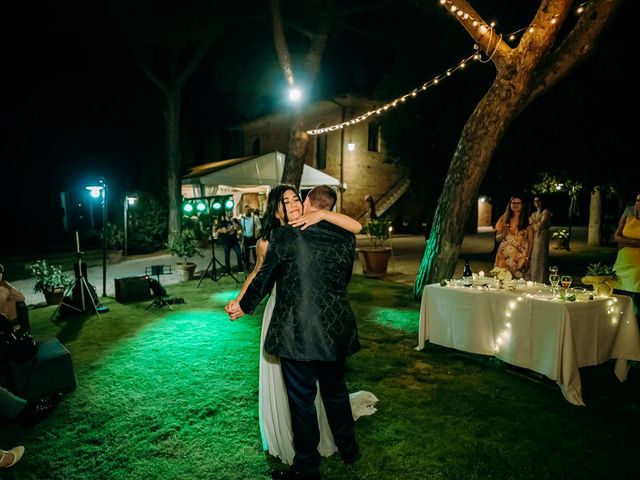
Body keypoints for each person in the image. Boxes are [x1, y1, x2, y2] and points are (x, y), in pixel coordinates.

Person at [227, 185, 364, 480]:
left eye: (296, 199)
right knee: (336, 392)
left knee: (302, 402)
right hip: (335, 329)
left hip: (298, 332)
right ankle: (349, 449)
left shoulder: (284, 238)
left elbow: (263, 278)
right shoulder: (344, 235)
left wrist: (244, 306)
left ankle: (307, 466)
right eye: (286, 201)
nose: (292, 204)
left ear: (308, 204)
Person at [613, 193, 640, 315]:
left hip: (638, 265)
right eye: (637, 200)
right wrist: (637, 242)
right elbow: (617, 237)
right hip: (623, 261)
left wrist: (625, 243)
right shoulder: (629, 211)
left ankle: (634, 330)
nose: (638, 203)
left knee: (636, 302)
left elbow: (621, 241)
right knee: (618, 297)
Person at [494, 195, 533, 279]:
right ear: (510, 205)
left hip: (519, 257)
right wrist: (504, 233)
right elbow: (497, 239)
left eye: (518, 203)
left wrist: (527, 258)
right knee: (501, 281)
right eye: (513, 203)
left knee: (517, 282)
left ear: (522, 205)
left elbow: (530, 241)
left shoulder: (528, 220)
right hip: (503, 256)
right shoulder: (503, 218)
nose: (515, 205)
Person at [528, 195, 552, 283]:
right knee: (534, 257)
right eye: (535, 201)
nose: (537, 203)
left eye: (538, 201)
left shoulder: (546, 212)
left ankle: (541, 280)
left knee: (541, 257)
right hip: (534, 237)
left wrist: (533, 223)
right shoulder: (534, 213)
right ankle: (534, 278)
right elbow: (531, 226)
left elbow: (539, 226)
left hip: (542, 237)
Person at [239, 204, 262, 271]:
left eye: (249, 210)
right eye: (246, 210)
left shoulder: (255, 217)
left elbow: (259, 227)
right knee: (246, 254)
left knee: (255, 254)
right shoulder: (242, 218)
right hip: (246, 238)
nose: (248, 211)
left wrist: (257, 234)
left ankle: (256, 268)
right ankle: (247, 268)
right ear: (244, 211)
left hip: (253, 238)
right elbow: (241, 227)